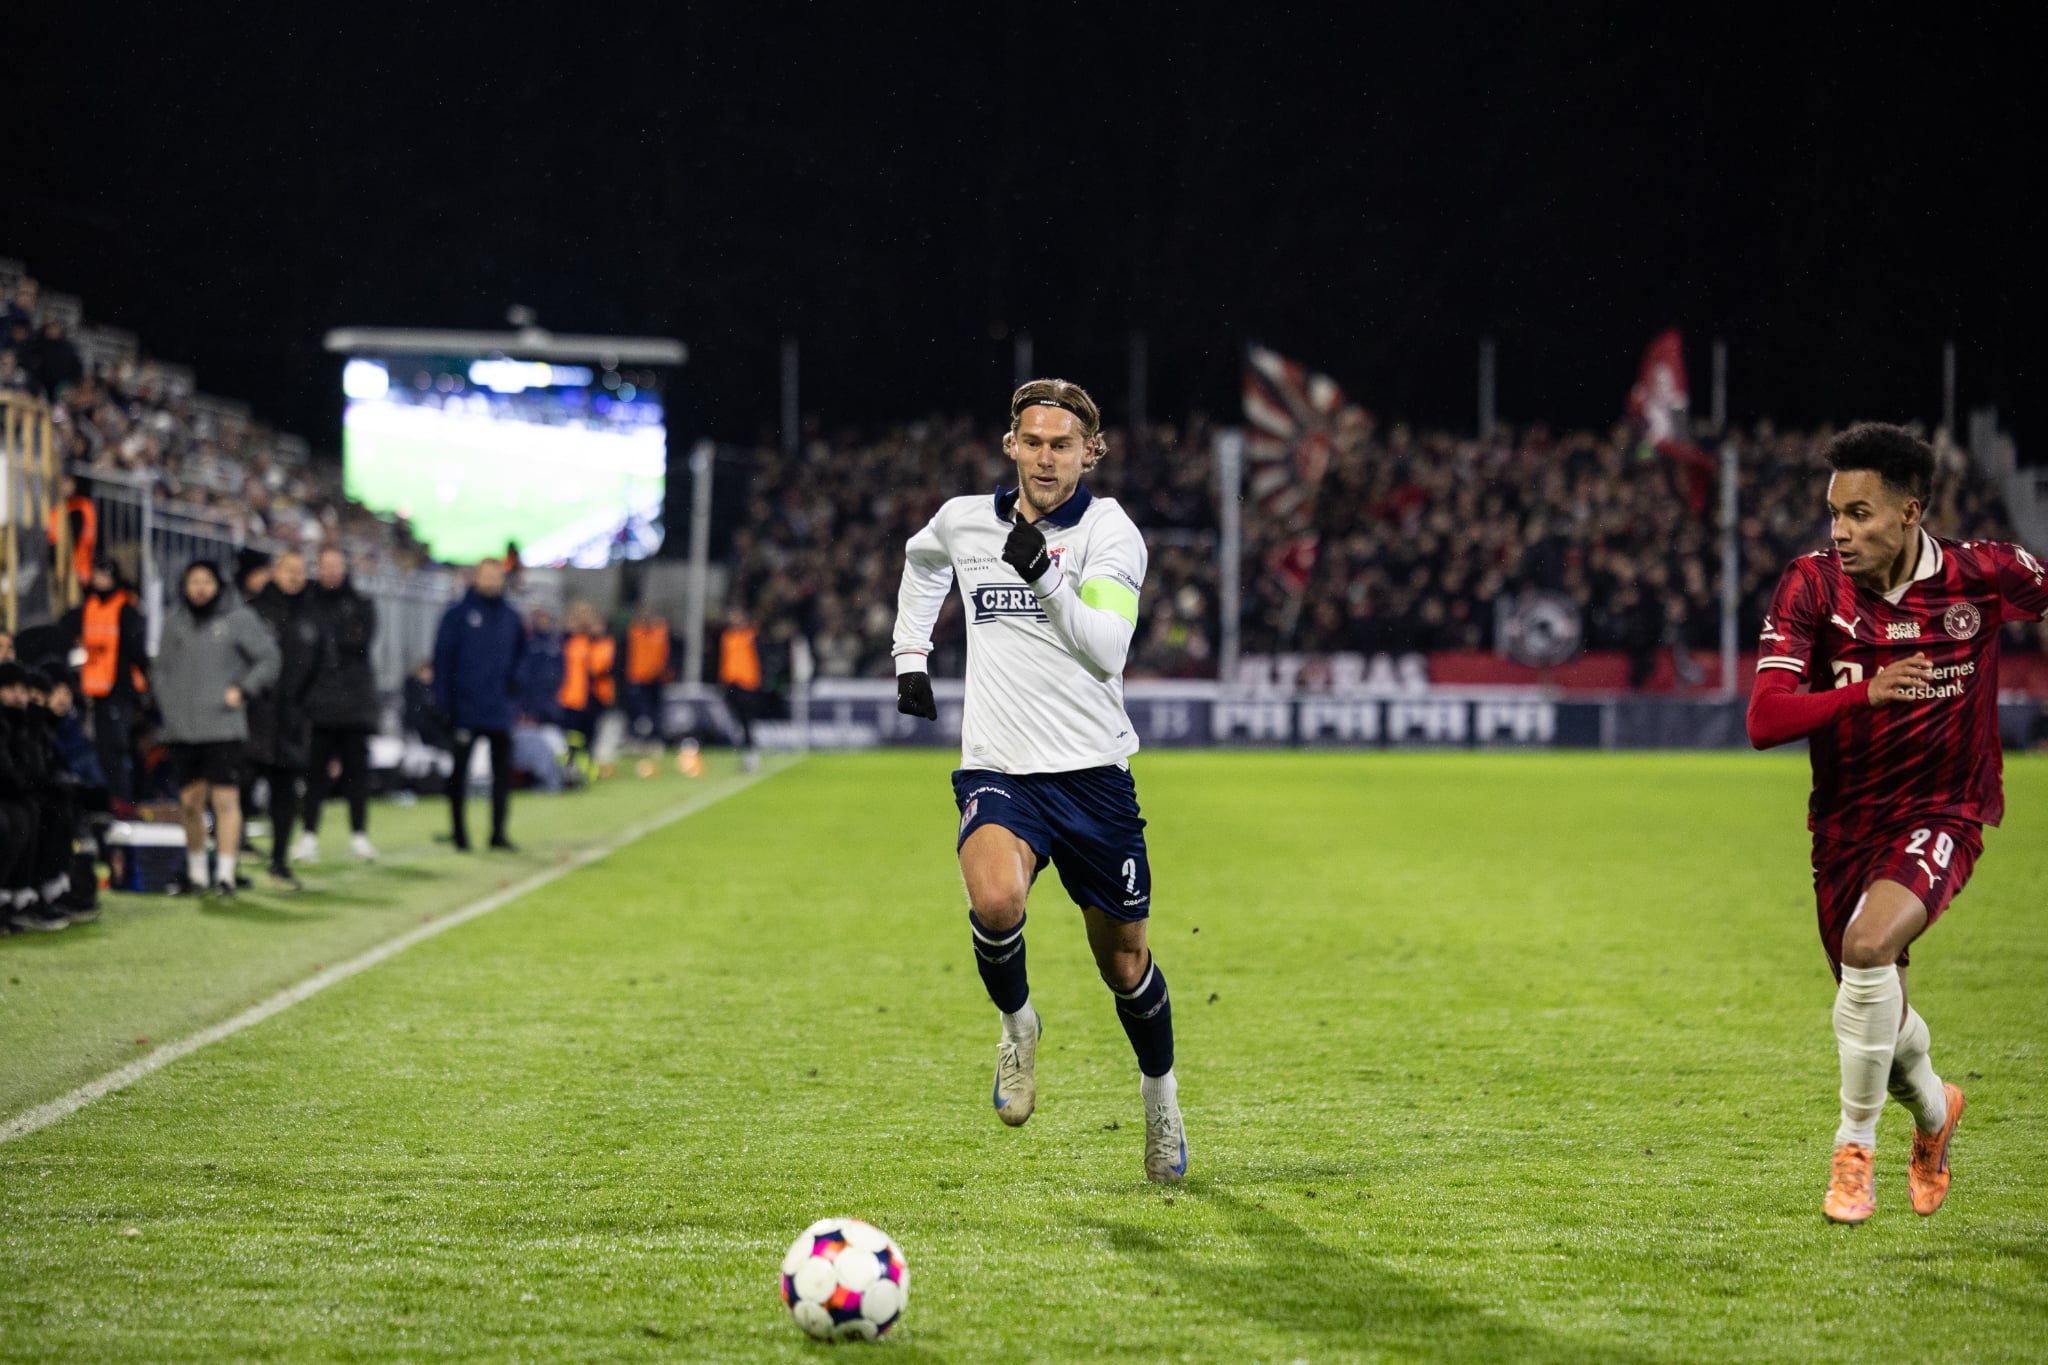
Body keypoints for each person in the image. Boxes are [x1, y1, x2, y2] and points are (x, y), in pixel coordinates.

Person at [1746, 422, 2048, 1224]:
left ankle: (1854, 1154)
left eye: (1860, 513)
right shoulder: (1810, 587)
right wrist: (1863, 693)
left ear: (1910, 512)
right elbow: (1765, 718)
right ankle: (1936, 1113)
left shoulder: (1982, 575)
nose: (1840, 532)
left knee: (1869, 946)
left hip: (1945, 808)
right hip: (1844, 825)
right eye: (1834, 513)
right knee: (1880, 1019)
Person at [891, 377, 1182, 1182]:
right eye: (1033, 441)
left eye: (1063, 444)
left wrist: (1045, 577)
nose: (1046, 457)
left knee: (1125, 965)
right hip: (999, 766)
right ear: (1011, 444)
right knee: (995, 900)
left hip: (1091, 776)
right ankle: (1018, 1027)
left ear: (1091, 453)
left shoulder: (1111, 532)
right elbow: (922, 561)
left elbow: (1105, 650)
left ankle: (1160, 1100)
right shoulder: (964, 519)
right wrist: (909, 655)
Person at [155, 560, 280, 897]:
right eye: (193, 581)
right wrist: (169, 710)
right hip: (183, 729)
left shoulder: (238, 619)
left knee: (226, 801)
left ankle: (225, 874)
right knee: (190, 805)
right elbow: (161, 671)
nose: (199, 588)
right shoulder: (173, 621)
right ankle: (197, 875)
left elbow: (269, 658)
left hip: (223, 727)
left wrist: (244, 689)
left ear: (218, 585)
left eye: (206, 581)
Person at [432, 558, 527, 852]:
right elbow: (443, 662)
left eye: (496, 576)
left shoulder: (511, 617)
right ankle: (459, 834)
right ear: (476, 578)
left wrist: (515, 688)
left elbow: (522, 657)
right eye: (486, 576)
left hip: (499, 710)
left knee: (503, 775)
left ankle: (498, 833)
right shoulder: (457, 615)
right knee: (459, 773)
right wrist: (444, 704)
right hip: (465, 709)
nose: (491, 582)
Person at [246, 550, 323, 889]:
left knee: (285, 794)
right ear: (274, 572)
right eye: (288, 570)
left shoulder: (312, 615)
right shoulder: (254, 611)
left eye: (300, 570)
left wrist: (305, 707)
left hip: (293, 720)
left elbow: (322, 666)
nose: (294, 576)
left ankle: (278, 862)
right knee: (238, 788)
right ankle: (227, 862)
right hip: (254, 716)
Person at [298, 547, 380, 863]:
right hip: (318, 706)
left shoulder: (361, 604)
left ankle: (359, 836)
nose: (331, 571)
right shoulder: (308, 604)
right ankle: (308, 837)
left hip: (354, 706)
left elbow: (358, 642)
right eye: (325, 565)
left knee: (356, 775)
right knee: (315, 776)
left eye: (336, 565)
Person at [58, 558, 149, 804]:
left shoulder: (124, 609)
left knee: (118, 751)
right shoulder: (90, 607)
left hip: (119, 690)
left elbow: (137, 650)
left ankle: (124, 801)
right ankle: (114, 800)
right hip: (97, 689)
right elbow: (66, 627)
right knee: (107, 751)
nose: (100, 581)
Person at [556, 601, 615, 766]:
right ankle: (569, 767)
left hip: (594, 697)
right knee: (571, 736)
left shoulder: (599, 642)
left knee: (590, 735)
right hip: (571, 696)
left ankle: (586, 767)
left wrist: (596, 639)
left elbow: (601, 666)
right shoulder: (568, 640)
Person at [719, 606, 762, 772]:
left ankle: (751, 754)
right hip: (731, 683)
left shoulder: (752, 636)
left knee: (747, 721)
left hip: (748, 683)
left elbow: (760, 658)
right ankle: (747, 753)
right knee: (737, 721)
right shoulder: (727, 637)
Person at [624, 604, 673, 743]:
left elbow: (667, 653)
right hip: (638, 677)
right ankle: (638, 736)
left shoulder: (661, 631)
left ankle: (654, 737)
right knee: (640, 709)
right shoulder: (635, 631)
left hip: (657, 677)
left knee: (656, 710)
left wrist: (665, 670)